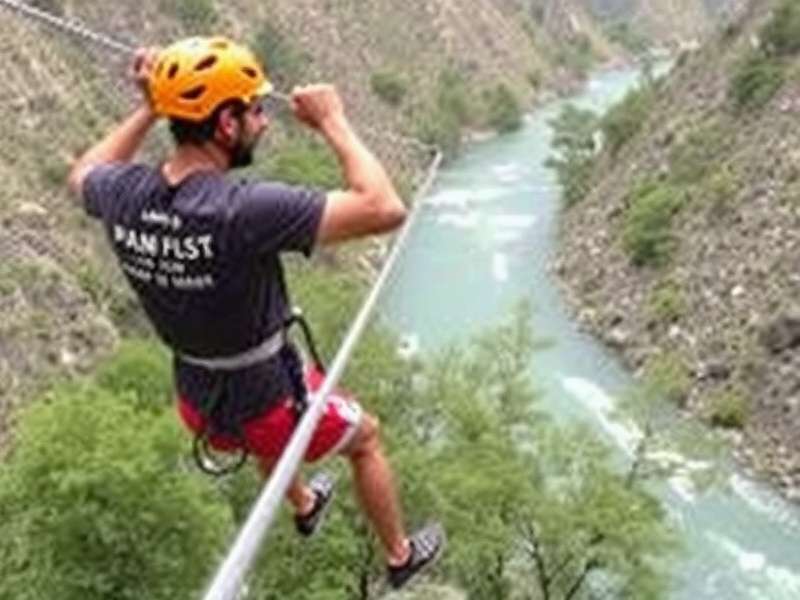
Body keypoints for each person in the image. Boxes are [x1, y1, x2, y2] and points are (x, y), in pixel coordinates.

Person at [67, 36, 444, 590]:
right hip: (267, 402)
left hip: (199, 405)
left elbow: (82, 174)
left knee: (272, 427)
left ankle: (305, 502)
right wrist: (334, 121)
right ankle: (399, 554)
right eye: (254, 110)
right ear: (225, 125)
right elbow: (383, 207)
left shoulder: (123, 194)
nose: (263, 122)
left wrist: (152, 106)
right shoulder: (243, 210)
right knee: (365, 437)